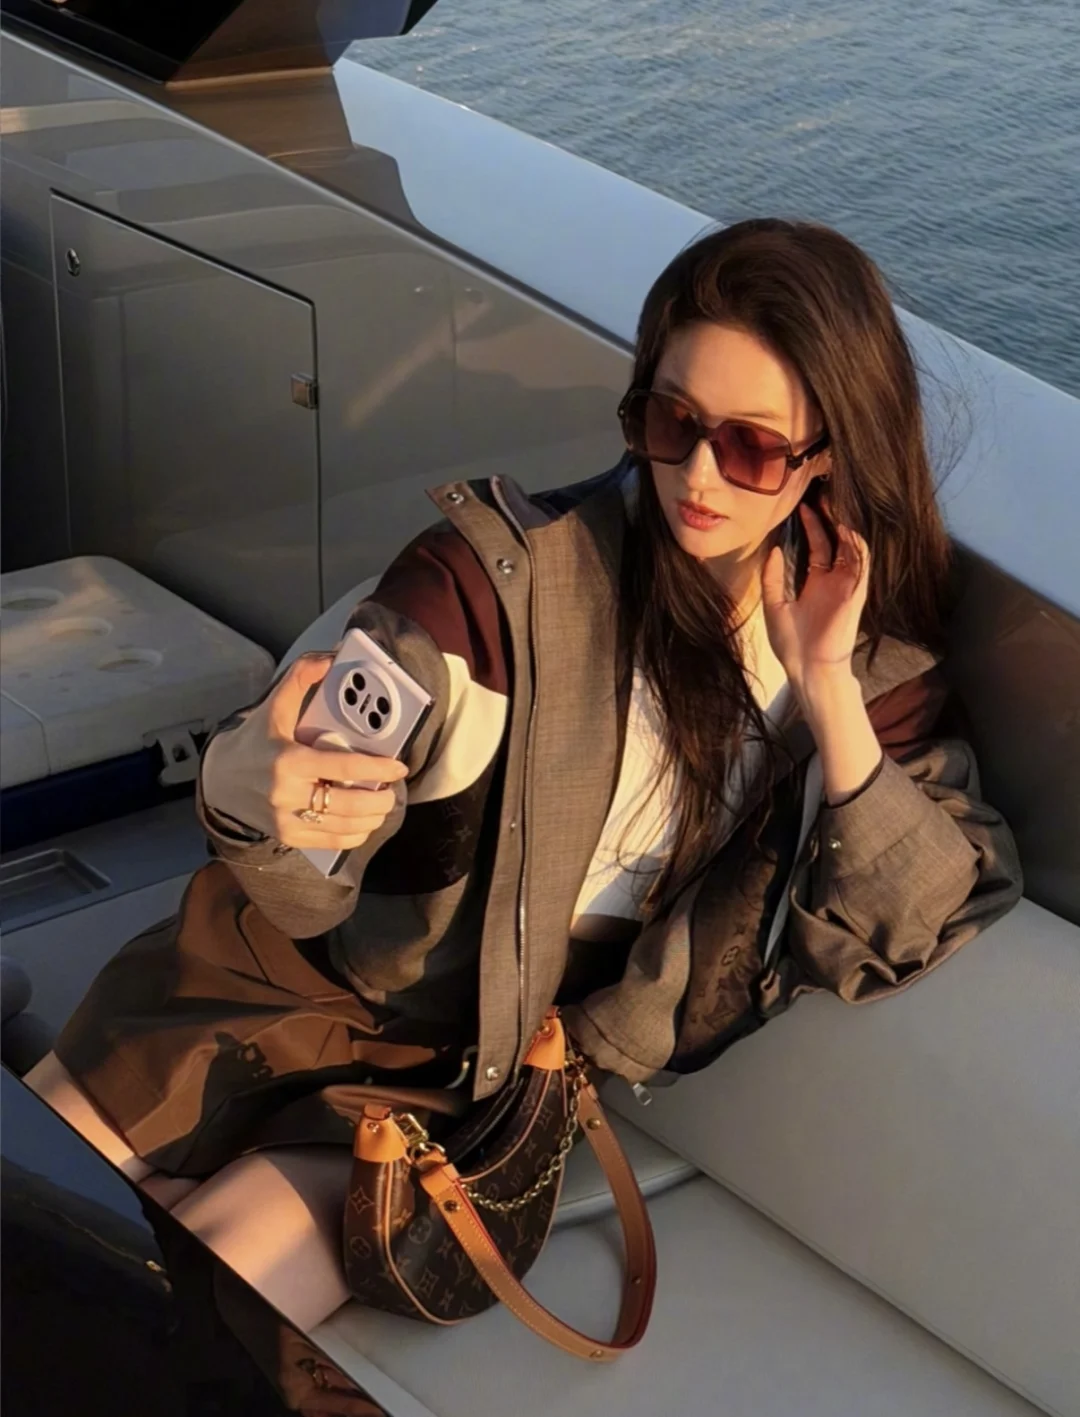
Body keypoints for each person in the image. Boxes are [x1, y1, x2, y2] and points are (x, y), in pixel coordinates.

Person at [28, 218, 1022, 1332]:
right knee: (40, 1224)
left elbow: (916, 912)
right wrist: (252, 794)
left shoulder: (872, 677)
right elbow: (303, 880)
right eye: (671, 421)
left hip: (470, 1084)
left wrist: (827, 687)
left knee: (187, 1298)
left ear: (828, 453)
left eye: (750, 446)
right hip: (268, 985)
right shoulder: (490, 589)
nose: (697, 473)